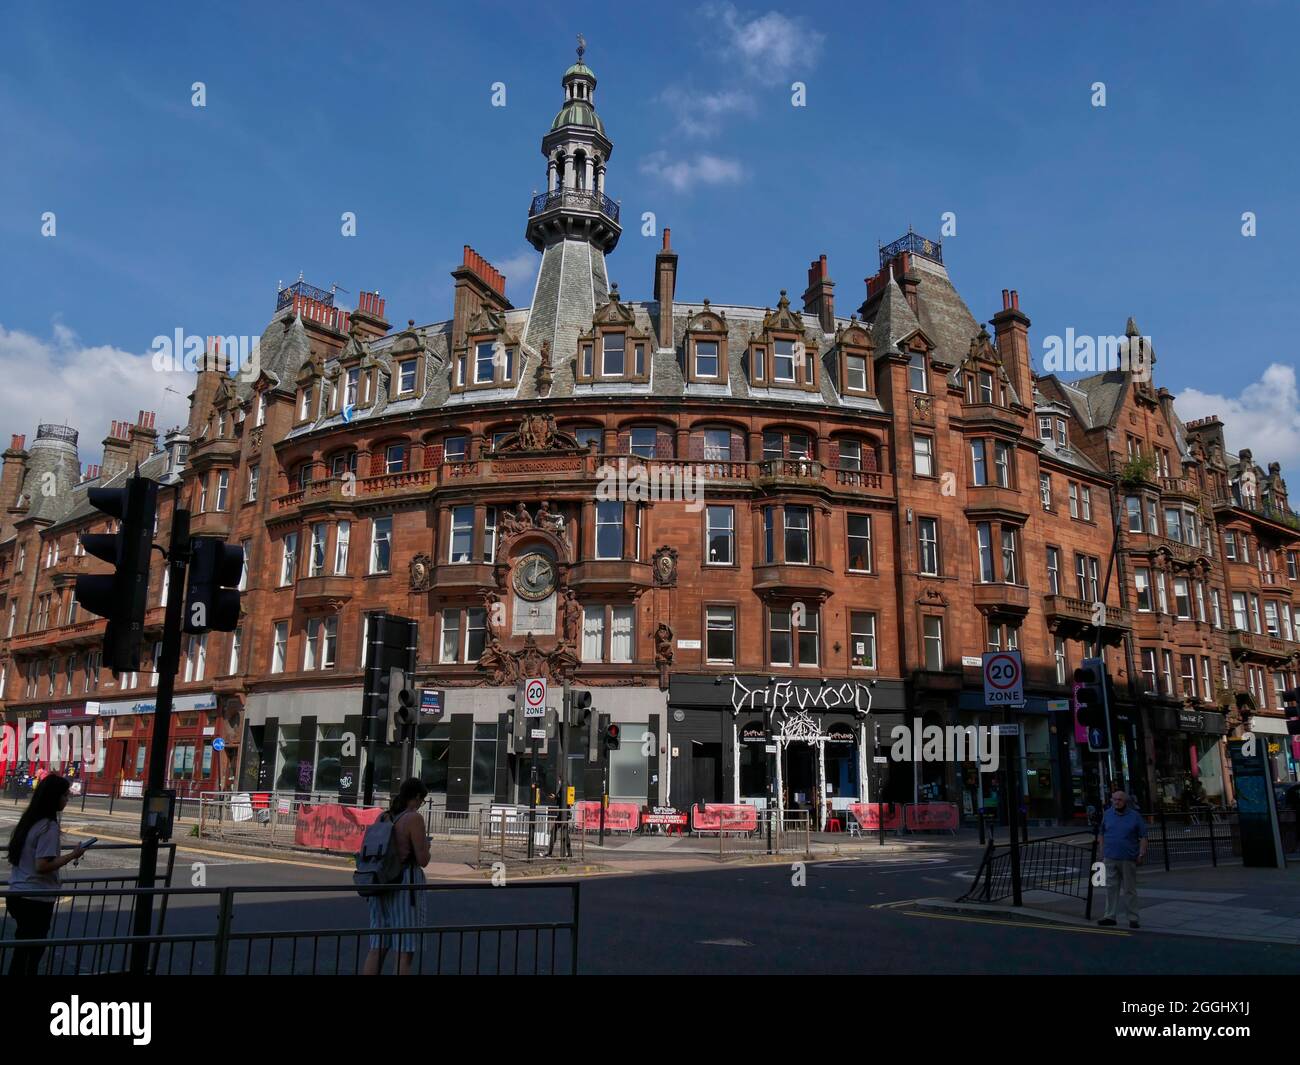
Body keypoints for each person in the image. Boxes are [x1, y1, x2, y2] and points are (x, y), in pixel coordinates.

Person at [5, 773, 89, 975]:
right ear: (54, 797)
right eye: (65, 796)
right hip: (36, 897)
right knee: (32, 954)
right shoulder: (48, 827)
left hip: (17, 892)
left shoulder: (29, 821)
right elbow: (42, 865)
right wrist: (73, 855)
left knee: (21, 949)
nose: (67, 800)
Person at [362, 778, 431, 975]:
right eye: (422, 800)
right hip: (405, 884)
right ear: (417, 797)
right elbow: (423, 859)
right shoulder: (413, 819)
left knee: (378, 946)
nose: (421, 804)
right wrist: (427, 846)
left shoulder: (383, 817)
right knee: (404, 949)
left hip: (380, 882)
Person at [1097, 789, 1148, 929]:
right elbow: (1101, 833)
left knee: (1129, 889)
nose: (1116, 802)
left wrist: (1141, 853)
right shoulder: (1107, 815)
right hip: (1110, 857)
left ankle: (1133, 918)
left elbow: (1143, 836)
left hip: (1128, 858)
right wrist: (1102, 850)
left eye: (1119, 800)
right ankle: (1109, 916)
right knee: (1110, 888)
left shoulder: (1135, 816)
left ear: (1125, 801)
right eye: (1114, 799)